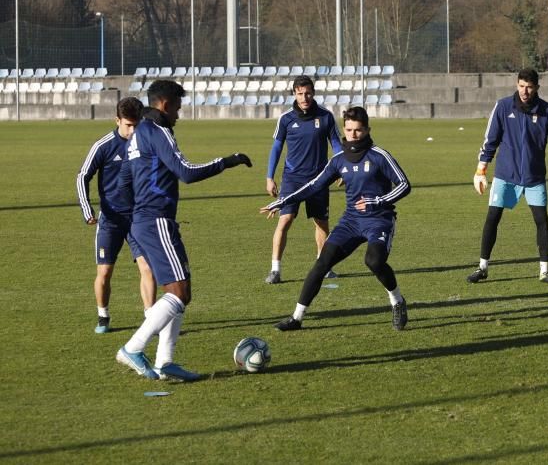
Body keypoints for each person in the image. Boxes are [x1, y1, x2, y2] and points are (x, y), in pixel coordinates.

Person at [115, 80, 253, 381]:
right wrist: (227, 161)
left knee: (177, 290)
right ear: (164, 103)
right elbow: (186, 173)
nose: (179, 113)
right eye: (177, 106)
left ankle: (165, 362)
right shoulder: (159, 131)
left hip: (144, 220)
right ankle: (134, 347)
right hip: (156, 220)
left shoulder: (137, 134)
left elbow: (124, 179)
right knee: (180, 292)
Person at [264, 107, 412, 331]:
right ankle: (296, 318)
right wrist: (282, 201)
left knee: (373, 261)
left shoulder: (380, 155)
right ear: (344, 128)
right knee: (322, 263)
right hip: (351, 221)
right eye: (350, 129)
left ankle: (397, 301)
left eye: (359, 130)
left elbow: (404, 184)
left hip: (379, 219)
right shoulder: (339, 160)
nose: (353, 134)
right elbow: (313, 185)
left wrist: (378, 201)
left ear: (367, 130)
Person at [467, 68, 548, 285]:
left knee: (541, 221)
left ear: (537, 88)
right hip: (505, 175)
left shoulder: (547, 111)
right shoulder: (503, 107)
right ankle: (482, 267)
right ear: (517, 84)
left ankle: (544, 271)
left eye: (529, 87)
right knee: (492, 218)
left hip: (534, 177)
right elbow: (490, 139)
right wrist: (481, 169)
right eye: (521, 86)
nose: (525, 91)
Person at [76, 96, 155, 334]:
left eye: (136, 125)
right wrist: (87, 209)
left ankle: (150, 320)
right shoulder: (103, 145)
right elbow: (82, 176)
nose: (132, 131)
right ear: (117, 120)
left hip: (138, 219)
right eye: (128, 125)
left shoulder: (146, 144)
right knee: (105, 271)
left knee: (147, 268)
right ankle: (103, 316)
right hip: (110, 219)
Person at [265, 75, 342, 284]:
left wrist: (341, 169)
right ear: (294, 94)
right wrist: (269, 177)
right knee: (285, 220)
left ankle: (322, 266)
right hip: (292, 179)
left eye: (308, 93)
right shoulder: (286, 119)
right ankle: (275, 269)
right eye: (300, 93)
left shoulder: (326, 117)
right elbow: (276, 148)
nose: (304, 97)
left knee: (321, 223)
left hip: (320, 179)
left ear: (313, 93)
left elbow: (336, 144)